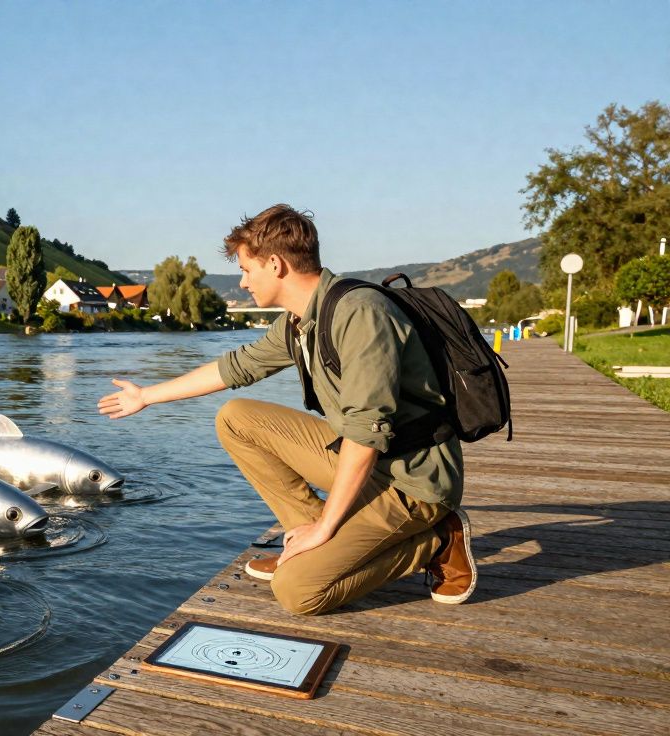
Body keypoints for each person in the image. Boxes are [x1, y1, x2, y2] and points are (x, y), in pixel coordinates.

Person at [97, 204, 475, 615]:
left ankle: (436, 540)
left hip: (413, 481)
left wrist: (326, 527)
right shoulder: (300, 321)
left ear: (275, 264)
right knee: (236, 417)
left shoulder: (360, 313)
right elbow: (234, 368)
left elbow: (365, 434)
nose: (242, 283)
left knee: (298, 592)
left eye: (246, 270)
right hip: (371, 464)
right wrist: (147, 396)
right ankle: (306, 539)